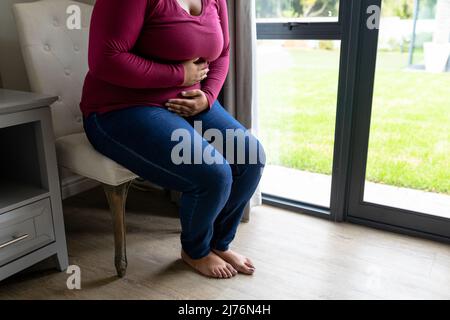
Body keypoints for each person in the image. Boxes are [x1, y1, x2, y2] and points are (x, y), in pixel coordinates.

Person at [80, 0, 265, 279]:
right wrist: (179, 75)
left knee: (250, 158)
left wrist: (208, 96)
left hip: (190, 102)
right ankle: (195, 250)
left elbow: (222, 53)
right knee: (213, 174)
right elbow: (106, 59)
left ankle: (218, 243)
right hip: (121, 109)